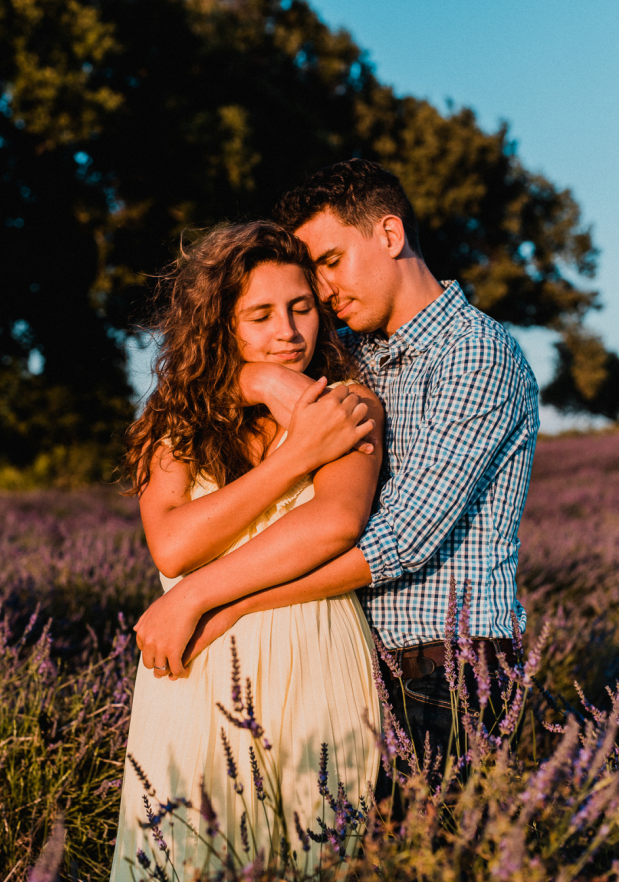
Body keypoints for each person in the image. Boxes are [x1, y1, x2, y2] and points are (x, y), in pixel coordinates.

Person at [135, 159, 540, 758]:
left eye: (330, 262)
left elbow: (399, 539)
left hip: (448, 668)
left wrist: (211, 600)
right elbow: (239, 345)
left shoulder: (475, 356)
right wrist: (258, 380)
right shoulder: (354, 348)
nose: (321, 294)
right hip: (363, 663)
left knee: (436, 848)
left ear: (390, 235)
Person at [105, 221, 383, 882]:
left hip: (319, 664)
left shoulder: (350, 403)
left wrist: (199, 596)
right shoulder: (175, 417)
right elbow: (173, 546)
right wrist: (291, 449)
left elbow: (336, 522)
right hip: (194, 679)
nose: (288, 332)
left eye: (302, 308)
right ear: (220, 322)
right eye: (260, 316)